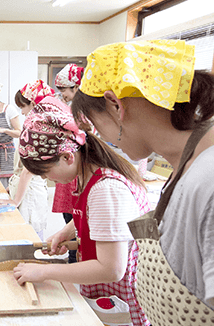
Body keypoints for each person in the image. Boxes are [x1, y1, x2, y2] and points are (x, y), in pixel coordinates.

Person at [71, 39, 214, 324]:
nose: (101, 138)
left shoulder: (208, 178)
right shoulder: (183, 168)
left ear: (115, 105)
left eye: (96, 126)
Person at [13, 99, 151, 325]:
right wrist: (69, 232)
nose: (49, 180)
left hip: (122, 297)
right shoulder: (87, 177)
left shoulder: (106, 189)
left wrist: (45, 272)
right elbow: (99, 221)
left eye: (46, 173)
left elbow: (112, 269)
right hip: (105, 293)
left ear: (67, 157)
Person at [0, 80, 56, 239]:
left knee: (28, 236)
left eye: (23, 107)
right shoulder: (39, 125)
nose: (21, 112)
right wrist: (12, 188)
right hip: (26, 187)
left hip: (30, 191)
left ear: (34, 103)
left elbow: (28, 172)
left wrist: (15, 200)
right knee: (27, 233)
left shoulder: (38, 127)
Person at [53, 64, 85, 263]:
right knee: (72, 221)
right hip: (72, 174)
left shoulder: (82, 114)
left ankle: (75, 261)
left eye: (63, 89)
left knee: (78, 222)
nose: (62, 94)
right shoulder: (71, 110)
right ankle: (73, 259)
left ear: (75, 86)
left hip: (77, 175)